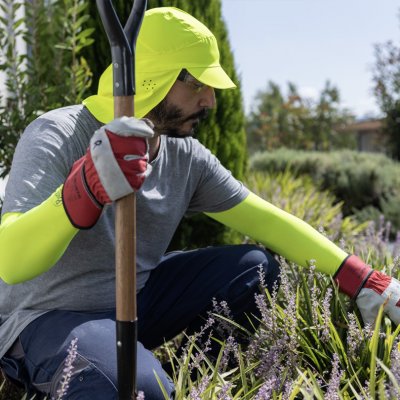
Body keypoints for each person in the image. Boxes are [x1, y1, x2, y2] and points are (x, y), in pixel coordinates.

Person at [0, 6, 399, 400]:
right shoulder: (57, 133)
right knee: (134, 389)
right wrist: (81, 190)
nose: (210, 100)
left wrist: (362, 279)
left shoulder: (185, 156)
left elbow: (266, 220)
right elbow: (12, 262)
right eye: (196, 83)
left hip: (133, 300)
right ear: (153, 78)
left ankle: (185, 380)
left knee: (254, 271)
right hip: (46, 316)